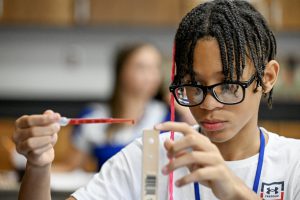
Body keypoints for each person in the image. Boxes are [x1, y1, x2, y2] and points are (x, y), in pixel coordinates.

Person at [13, 0, 300, 199]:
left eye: (227, 85)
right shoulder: (151, 156)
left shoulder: (293, 163)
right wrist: (38, 167)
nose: (208, 104)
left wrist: (234, 191)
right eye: (193, 85)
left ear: (268, 77)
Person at [53, 43, 169, 172]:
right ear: (121, 72)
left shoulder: (168, 117)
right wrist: (36, 169)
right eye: (141, 67)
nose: (151, 76)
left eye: (156, 68)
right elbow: (69, 166)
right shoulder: (93, 117)